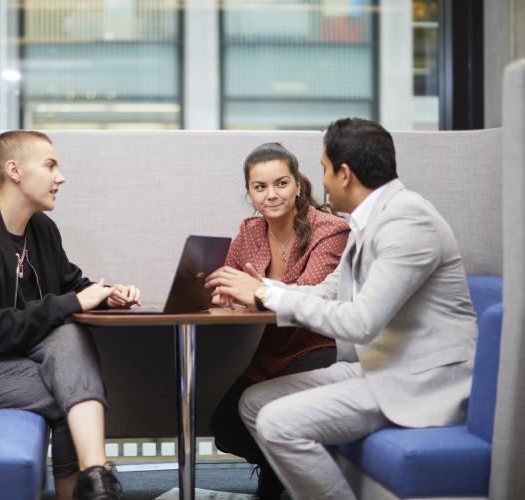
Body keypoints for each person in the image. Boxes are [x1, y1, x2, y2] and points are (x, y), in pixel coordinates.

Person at [205, 118, 478, 500]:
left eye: (324, 170)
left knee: (278, 423)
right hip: (377, 370)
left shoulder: (408, 220)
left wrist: (267, 296)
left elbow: (361, 321)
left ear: (344, 173)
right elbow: (330, 290)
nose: (323, 182)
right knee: (253, 403)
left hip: (418, 383)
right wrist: (262, 288)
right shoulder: (370, 221)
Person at [0, 130, 140, 500]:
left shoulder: (42, 229)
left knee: (69, 339)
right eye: (50, 165)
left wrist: (108, 296)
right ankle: (97, 479)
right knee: (70, 392)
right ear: (14, 170)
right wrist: (74, 302)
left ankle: (94, 479)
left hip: (21, 357)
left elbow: (70, 286)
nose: (61, 177)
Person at [208, 143, 349, 499]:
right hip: (272, 350)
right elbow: (234, 282)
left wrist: (255, 291)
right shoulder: (249, 230)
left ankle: (277, 484)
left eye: (281, 184)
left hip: (319, 345)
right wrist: (226, 294)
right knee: (226, 428)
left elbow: (311, 292)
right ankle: (282, 472)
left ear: (298, 185)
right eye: (260, 187)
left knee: (273, 414)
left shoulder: (329, 229)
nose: (271, 195)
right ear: (249, 192)